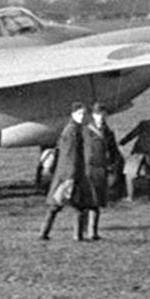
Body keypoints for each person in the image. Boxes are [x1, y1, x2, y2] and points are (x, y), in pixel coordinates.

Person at [39, 102, 91, 240]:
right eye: (79, 114)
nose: (82, 117)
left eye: (84, 114)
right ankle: (77, 236)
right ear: (73, 114)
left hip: (65, 174)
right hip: (70, 175)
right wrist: (71, 176)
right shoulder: (73, 131)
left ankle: (44, 233)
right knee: (77, 206)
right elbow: (71, 154)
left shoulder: (71, 129)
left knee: (56, 206)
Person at [83, 103, 121, 240]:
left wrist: (115, 165)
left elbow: (113, 151)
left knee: (97, 202)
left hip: (102, 170)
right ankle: (81, 231)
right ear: (93, 115)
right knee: (86, 202)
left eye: (104, 115)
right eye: (99, 114)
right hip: (88, 169)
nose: (101, 117)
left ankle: (93, 232)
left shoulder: (108, 132)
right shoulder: (86, 131)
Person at [119, 106, 150, 201]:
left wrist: (122, 142)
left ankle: (130, 197)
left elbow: (133, 134)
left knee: (129, 175)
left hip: (138, 151)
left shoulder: (143, 124)